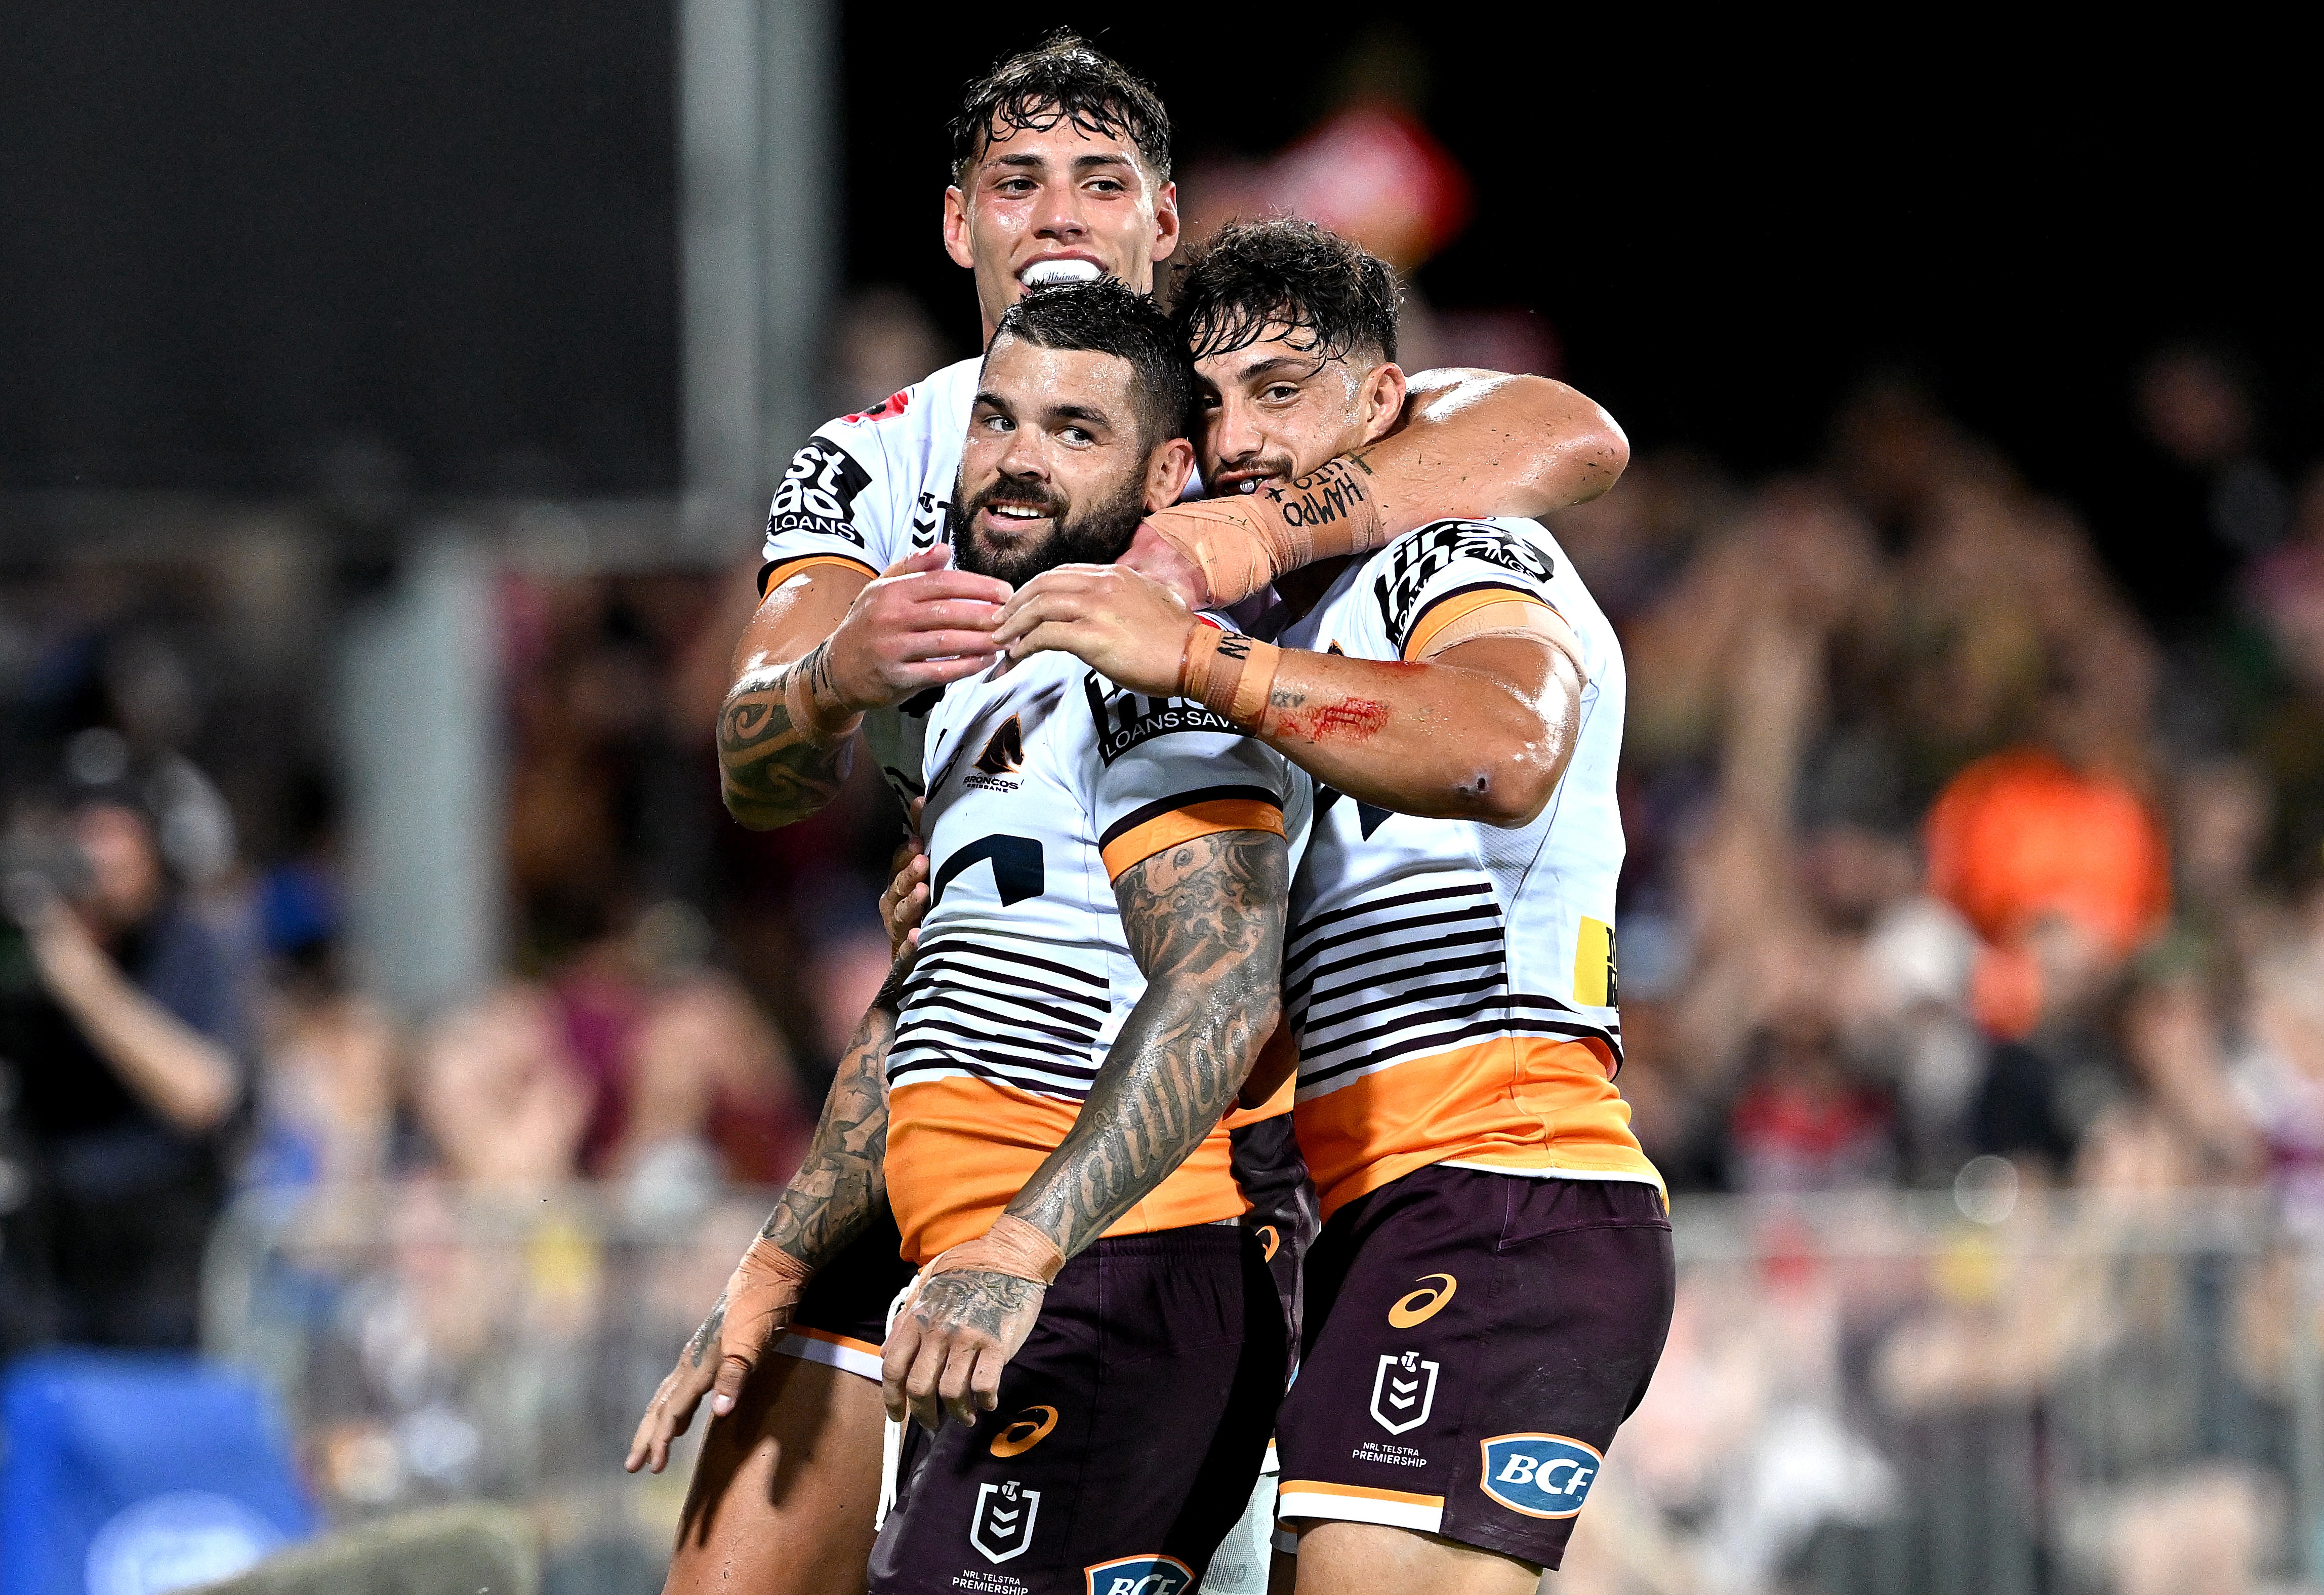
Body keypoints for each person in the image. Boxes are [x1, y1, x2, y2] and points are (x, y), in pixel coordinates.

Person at [636, 33, 1625, 1595]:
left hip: (1167, 1161)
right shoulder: (882, 463)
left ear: (1164, 222)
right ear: (956, 221)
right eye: (1016, 181)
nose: (1057, 213)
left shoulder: (1233, 412)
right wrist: (835, 678)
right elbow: (755, 767)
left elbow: (1566, 435)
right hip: (948, 1093)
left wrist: (1243, 537)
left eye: (1100, 182)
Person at [989, 220, 1673, 1593]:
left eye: (1280, 391)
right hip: (1375, 1207)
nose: (1240, 438)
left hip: (1495, 1171)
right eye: (1210, 403)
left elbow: (1501, 747)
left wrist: (1197, 660)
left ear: (1380, 404)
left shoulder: (1449, 551)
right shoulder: (1291, 627)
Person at [650, 280, 1306, 1591]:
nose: (1017, 458)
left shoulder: (1146, 666)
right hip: (1004, 1291)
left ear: (1165, 474)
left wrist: (1023, 1249)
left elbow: (1221, 984)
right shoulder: (974, 685)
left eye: (1074, 430)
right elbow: (933, 1008)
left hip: (1110, 1278)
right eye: (998, 420)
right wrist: (781, 1257)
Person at [0, 785, 247, 1351]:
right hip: (45, 1262)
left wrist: (81, 982)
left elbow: (202, 1093)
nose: (98, 862)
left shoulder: (186, 944)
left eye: (116, 838)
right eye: (83, 836)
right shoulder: (23, 942)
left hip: (155, 1275)